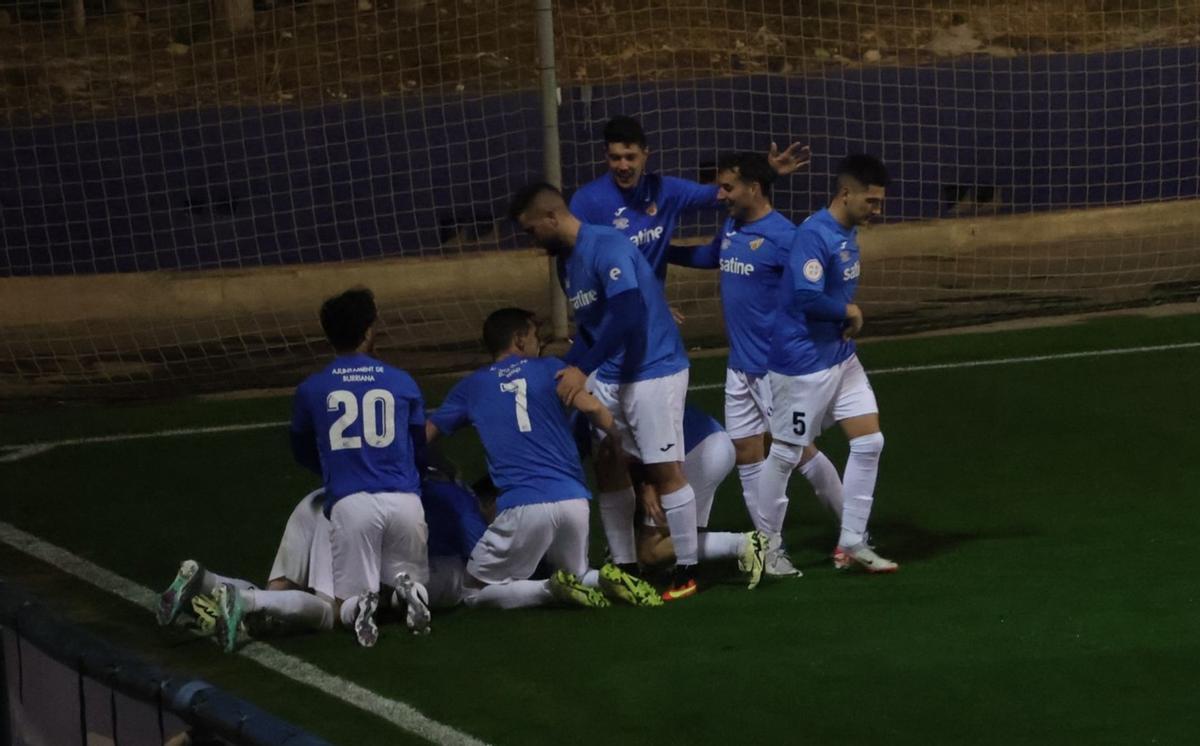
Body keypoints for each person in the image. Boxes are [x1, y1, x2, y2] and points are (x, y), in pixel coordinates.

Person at [508, 183, 701, 602]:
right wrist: (562, 370)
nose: (530, 240)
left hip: (654, 370)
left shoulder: (606, 244)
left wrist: (582, 368)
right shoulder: (566, 263)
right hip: (614, 374)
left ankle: (687, 567)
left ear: (551, 218)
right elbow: (593, 328)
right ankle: (624, 565)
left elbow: (628, 315)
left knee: (664, 471)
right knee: (610, 466)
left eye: (530, 230)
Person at [668, 152, 845, 576]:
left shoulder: (786, 238)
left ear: (754, 188)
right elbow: (710, 257)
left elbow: (818, 287)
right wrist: (659, 253)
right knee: (747, 454)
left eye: (728, 187)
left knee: (801, 452)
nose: (721, 194)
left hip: (776, 369)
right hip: (740, 368)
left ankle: (854, 530)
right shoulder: (733, 225)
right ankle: (771, 549)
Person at [758, 154, 899, 573]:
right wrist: (849, 312)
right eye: (871, 202)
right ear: (845, 193)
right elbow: (807, 296)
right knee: (785, 453)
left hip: (838, 357)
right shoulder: (814, 235)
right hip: (802, 364)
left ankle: (852, 542)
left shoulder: (846, 230)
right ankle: (765, 551)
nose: (877, 210)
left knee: (870, 442)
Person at [426, 307, 620, 611]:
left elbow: (428, 433)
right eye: (535, 336)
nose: (538, 343)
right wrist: (619, 440)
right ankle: (607, 579)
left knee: (472, 590)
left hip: (523, 506)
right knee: (577, 574)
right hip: (574, 503)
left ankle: (549, 589)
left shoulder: (471, 387)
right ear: (518, 340)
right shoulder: (551, 369)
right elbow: (594, 410)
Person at [289, 287, 432, 646]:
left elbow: (302, 448)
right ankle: (408, 595)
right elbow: (418, 446)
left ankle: (360, 606)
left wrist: (334, 470)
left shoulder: (311, 389)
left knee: (341, 608)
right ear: (369, 330)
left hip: (352, 504)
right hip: (404, 500)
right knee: (409, 580)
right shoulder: (403, 381)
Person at [569, 115, 811, 285]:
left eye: (630, 157)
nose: (623, 166)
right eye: (615, 158)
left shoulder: (667, 191)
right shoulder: (586, 202)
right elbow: (573, 265)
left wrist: (765, 171)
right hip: (610, 313)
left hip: (652, 317)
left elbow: (723, 193)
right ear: (605, 157)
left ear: (645, 155)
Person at [631, 405, 766, 587]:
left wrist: (647, 483)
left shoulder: (601, 408)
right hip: (711, 439)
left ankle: (743, 544)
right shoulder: (618, 388)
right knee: (677, 527)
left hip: (694, 453)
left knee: (650, 551)